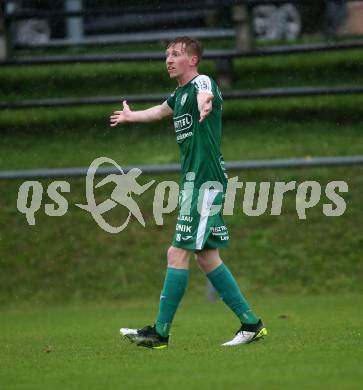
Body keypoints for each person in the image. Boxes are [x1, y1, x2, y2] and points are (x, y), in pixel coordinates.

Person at [110, 36, 267, 348]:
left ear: (193, 60)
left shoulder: (201, 83)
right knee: (207, 258)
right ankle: (251, 323)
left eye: (177, 54)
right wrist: (131, 116)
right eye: (167, 54)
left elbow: (206, 91)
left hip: (206, 181)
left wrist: (206, 101)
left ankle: (160, 332)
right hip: (195, 182)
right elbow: (158, 111)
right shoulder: (179, 93)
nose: (169, 59)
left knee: (176, 252)